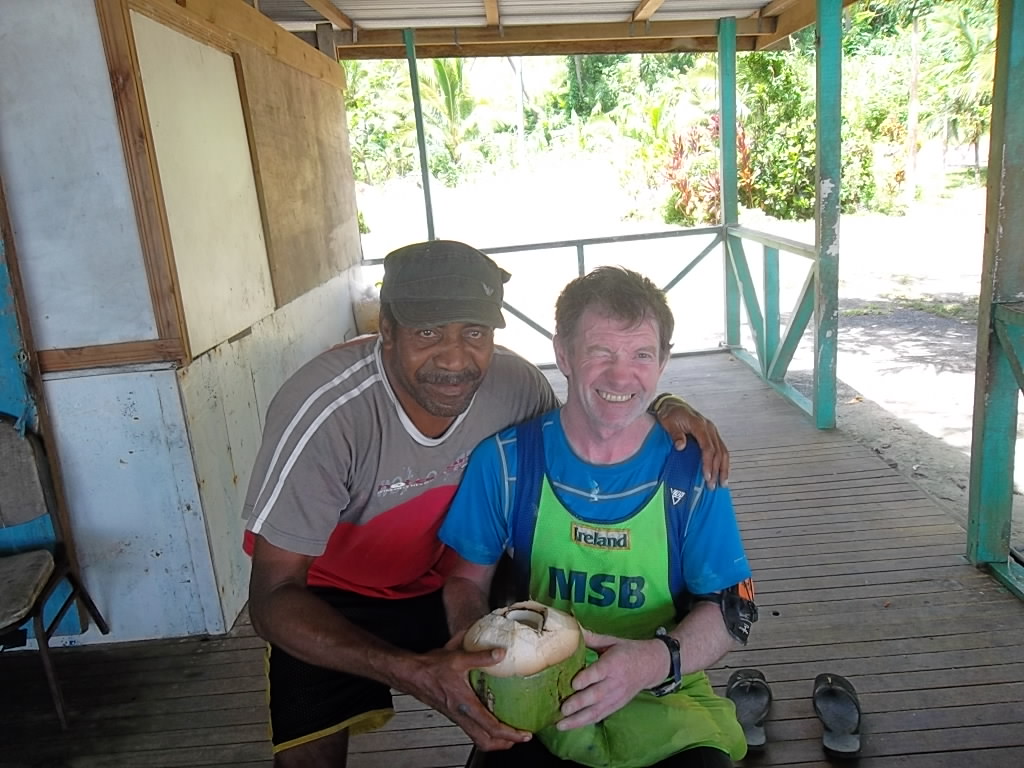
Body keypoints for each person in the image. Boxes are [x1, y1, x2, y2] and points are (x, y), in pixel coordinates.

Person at [242, 241, 731, 768]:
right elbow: (272, 597)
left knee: (528, 697)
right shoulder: (325, 414)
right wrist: (412, 670)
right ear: (386, 329)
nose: (454, 359)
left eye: (474, 333)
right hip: (333, 595)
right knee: (307, 746)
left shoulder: (513, 385)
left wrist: (661, 404)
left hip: (461, 575)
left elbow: (582, 427)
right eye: (428, 332)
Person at [441, 266, 757, 768]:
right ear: (563, 354)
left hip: (662, 696)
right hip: (536, 698)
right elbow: (464, 579)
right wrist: (479, 650)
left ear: (664, 361)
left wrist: (653, 661)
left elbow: (730, 609)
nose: (620, 376)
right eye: (600, 352)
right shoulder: (506, 461)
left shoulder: (691, 469)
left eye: (641, 355)